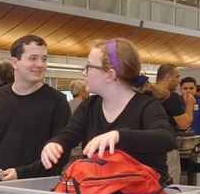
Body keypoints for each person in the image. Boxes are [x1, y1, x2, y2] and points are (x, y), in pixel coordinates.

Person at [40, 38, 175, 176]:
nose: (84, 73)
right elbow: (69, 135)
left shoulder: (147, 106)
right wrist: (56, 144)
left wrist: (119, 136)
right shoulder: (89, 106)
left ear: (110, 75)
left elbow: (166, 138)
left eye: (89, 67)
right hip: (100, 192)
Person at [0, 34, 71, 180]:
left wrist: (21, 173)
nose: (40, 64)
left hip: (39, 186)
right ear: (14, 62)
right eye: (33, 58)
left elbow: (61, 154)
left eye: (44, 59)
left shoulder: (57, 101)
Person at [154, 63, 194, 183]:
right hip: (167, 147)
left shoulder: (147, 94)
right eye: (177, 77)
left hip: (149, 147)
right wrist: (190, 105)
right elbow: (185, 124)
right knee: (170, 184)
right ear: (167, 77)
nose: (178, 80)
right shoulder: (170, 96)